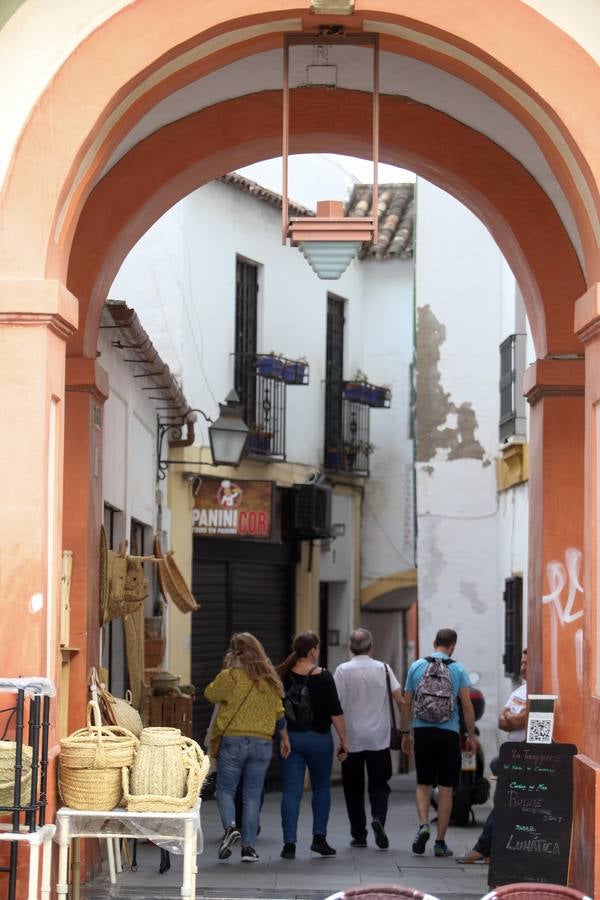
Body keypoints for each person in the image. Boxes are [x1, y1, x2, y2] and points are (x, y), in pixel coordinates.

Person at [204, 632, 291, 863]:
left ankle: (231, 827)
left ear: (234, 652)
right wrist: (285, 739)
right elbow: (279, 714)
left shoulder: (230, 676)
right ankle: (248, 848)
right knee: (252, 795)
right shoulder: (269, 679)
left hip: (233, 741)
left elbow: (210, 694)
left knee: (225, 790)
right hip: (262, 743)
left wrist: (225, 669)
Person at [400, 627, 476, 859]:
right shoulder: (458, 669)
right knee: (445, 788)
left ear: (435, 643)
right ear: (452, 646)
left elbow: (406, 703)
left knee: (423, 784)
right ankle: (440, 842)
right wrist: (471, 735)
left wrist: (405, 733)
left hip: (422, 731)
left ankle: (424, 825)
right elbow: (466, 705)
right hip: (448, 734)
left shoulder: (416, 666)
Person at [277, 631, 349, 860]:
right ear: (312, 651)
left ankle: (289, 844)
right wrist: (344, 741)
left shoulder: (283, 675)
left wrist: (282, 736)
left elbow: (277, 710)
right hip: (319, 740)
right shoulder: (324, 676)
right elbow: (335, 712)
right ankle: (319, 838)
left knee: (291, 791)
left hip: (291, 740)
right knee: (321, 789)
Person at [456, 649, 528, 865]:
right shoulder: (519, 691)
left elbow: (520, 720)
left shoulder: (537, 692)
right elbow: (502, 721)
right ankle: (491, 850)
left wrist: (513, 718)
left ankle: (482, 849)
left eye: (526, 663)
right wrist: (514, 718)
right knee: (504, 802)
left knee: (504, 802)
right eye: (521, 662)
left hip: (527, 756)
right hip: (512, 753)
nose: (522, 667)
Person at [333, 628, 403, 850]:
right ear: (371, 646)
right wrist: (406, 731)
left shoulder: (342, 670)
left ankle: (359, 834)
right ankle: (378, 818)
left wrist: (340, 738)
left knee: (352, 788)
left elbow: (335, 705)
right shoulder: (384, 669)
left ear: (350, 647)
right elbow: (400, 700)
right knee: (379, 785)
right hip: (379, 738)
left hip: (351, 739)